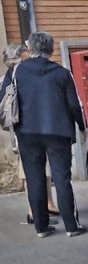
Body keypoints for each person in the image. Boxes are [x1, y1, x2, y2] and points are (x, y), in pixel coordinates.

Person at [14, 32, 87, 238]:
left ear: (30, 49)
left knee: (35, 178)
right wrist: (82, 127)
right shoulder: (62, 73)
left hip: (27, 132)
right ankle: (72, 226)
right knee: (62, 178)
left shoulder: (17, 71)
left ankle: (41, 227)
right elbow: (74, 105)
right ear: (51, 49)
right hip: (58, 131)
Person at [3, 44, 61, 225]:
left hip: (28, 129)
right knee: (30, 171)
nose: (31, 55)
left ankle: (48, 204)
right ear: (19, 57)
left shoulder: (14, 76)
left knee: (41, 169)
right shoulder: (17, 75)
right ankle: (33, 211)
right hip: (25, 131)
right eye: (27, 53)